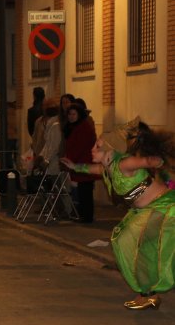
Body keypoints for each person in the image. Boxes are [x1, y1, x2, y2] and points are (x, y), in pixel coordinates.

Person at [61, 119, 175, 310]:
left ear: (109, 148)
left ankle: (147, 292)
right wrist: (74, 167)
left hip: (163, 206)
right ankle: (148, 294)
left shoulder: (125, 163)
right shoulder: (109, 167)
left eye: (97, 146)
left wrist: (161, 161)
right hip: (145, 210)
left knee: (127, 240)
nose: (93, 149)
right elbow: (92, 169)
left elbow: (150, 160)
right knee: (132, 243)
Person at [63, 103, 97, 223]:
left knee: (85, 191)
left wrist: (71, 160)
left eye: (74, 114)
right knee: (82, 191)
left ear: (79, 115)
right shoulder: (74, 126)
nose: (71, 117)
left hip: (83, 163)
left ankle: (87, 217)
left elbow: (80, 146)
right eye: (69, 114)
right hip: (78, 163)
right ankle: (83, 215)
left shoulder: (84, 127)